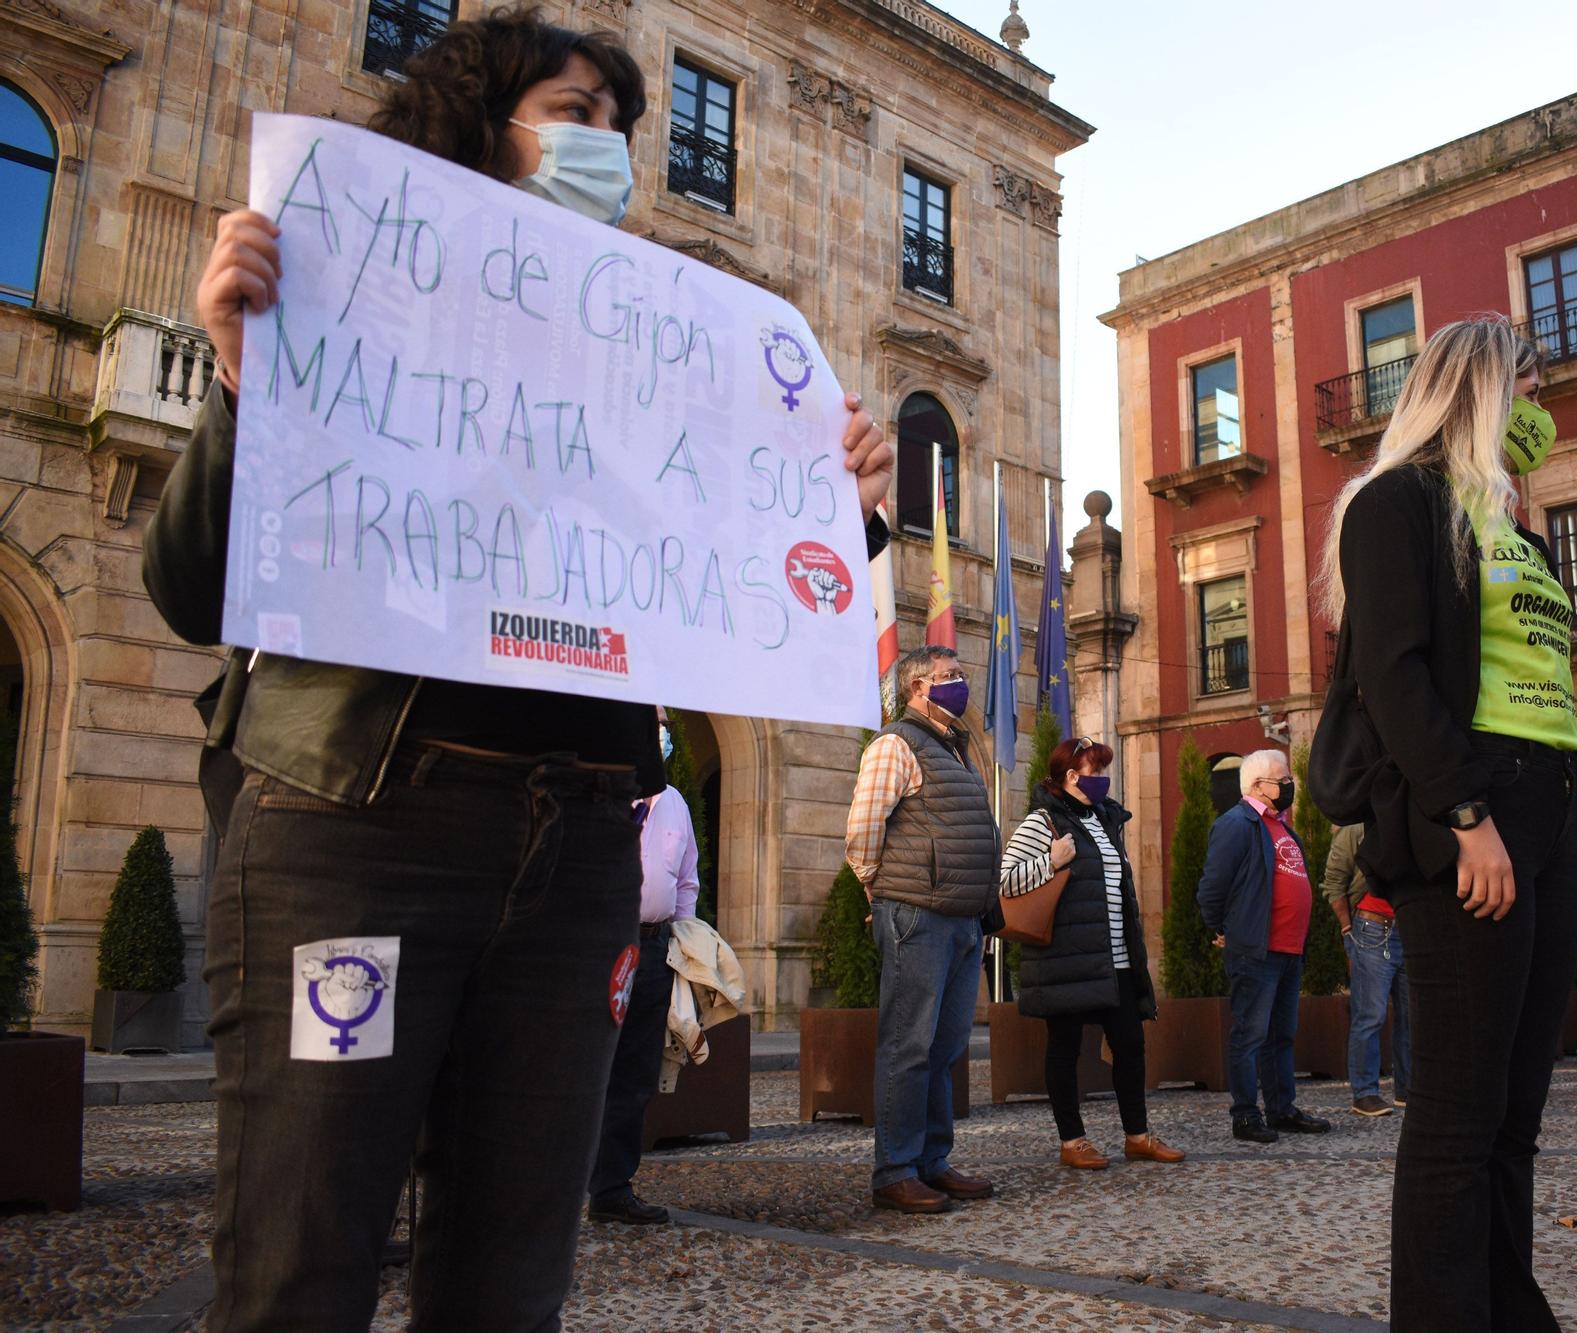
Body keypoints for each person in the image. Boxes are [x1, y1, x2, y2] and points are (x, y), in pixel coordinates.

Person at [146, 10, 895, 1327]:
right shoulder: (343, 283)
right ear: (475, 116)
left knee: (508, 1279)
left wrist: (834, 515)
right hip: (356, 828)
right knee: (299, 1267)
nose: (609, 143)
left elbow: (700, 580)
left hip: (575, 861)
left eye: (621, 122)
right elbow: (194, 587)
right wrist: (240, 378)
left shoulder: (643, 345)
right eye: (574, 109)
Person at [1311, 316, 1577, 1331]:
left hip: (1542, 811)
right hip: (1463, 819)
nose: (1541, 406)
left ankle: (1506, 1309)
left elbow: (1550, 689)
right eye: (1529, 384)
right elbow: (1390, 676)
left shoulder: (1523, 534)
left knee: (1513, 1113)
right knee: (1453, 1113)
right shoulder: (1393, 503)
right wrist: (1464, 815)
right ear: (1481, 386)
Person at [844, 646, 999, 1214]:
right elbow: (862, 830)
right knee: (908, 1045)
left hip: (960, 919)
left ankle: (933, 1161)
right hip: (916, 914)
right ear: (916, 688)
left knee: (946, 1047)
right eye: (946, 678)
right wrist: (881, 891)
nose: (958, 685)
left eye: (961, 675)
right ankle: (895, 1169)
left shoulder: (951, 749)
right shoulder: (896, 743)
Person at [998, 737, 1182, 1169]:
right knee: (1065, 1048)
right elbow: (1004, 882)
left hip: (1115, 956)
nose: (1103, 779)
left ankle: (1137, 1136)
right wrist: (1051, 861)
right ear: (1070, 776)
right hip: (1067, 959)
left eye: (1103, 770)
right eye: (1095, 771)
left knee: (1130, 1044)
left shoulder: (1104, 819)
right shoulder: (1042, 822)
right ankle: (1072, 1141)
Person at [586, 714, 703, 1226]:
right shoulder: (596, 791)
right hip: (595, 943)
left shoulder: (674, 801)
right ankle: (554, 1186)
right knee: (581, 1067)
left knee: (634, 1073)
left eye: (664, 723)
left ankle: (612, 1187)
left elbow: (686, 880)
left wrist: (681, 939)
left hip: (652, 947)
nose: (661, 732)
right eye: (652, 721)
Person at [1198, 749, 1332, 1143]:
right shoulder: (1237, 824)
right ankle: (1245, 1115)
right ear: (1257, 786)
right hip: (1256, 950)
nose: (1289, 785)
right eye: (1282, 779)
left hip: (1289, 950)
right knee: (1250, 1034)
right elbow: (1212, 887)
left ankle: (1281, 1110)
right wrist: (1224, 928)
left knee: (1281, 1036)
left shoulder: (1282, 827)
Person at [1323, 822, 1411, 1115]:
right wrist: (1347, 927)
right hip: (1372, 927)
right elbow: (1334, 881)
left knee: (1412, 1015)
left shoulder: (1412, 818)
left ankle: (1408, 1090)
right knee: (1371, 1014)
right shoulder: (1358, 828)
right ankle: (1365, 1092)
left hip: (1410, 928)